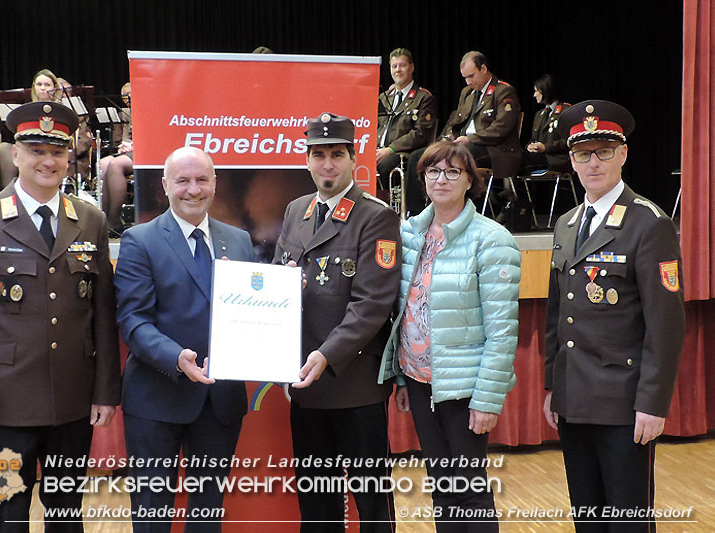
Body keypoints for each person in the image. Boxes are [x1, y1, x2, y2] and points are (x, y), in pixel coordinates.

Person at [0, 100, 121, 533]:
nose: (48, 160)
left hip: (74, 402)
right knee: (6, 519)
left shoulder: (90, 220)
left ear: (69, 157)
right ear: (15, 154)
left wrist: (105, 391)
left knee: (66, 517)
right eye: (36, 150)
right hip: (5, 406)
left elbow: (102, 314)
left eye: (57, 152)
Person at [543, 100, 685, 532]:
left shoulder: (648, 223)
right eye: (583, 154)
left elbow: (666, 323)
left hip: (624, 404)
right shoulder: (567, 224)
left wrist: (653, 403)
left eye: (604, 150)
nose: (593, 162)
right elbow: (557, 316)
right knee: (587, 518)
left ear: (623, 154)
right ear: (571, 160)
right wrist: (552, 385)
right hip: (573, 398)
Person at [380, 140, 520, 532]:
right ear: (422, 178)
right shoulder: (409, 233)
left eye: (453, 172)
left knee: (471, 491)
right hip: (421, 382)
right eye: (433, 171)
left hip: (464, 389)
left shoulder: (491, 239)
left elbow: (502, 330)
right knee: (442, 488)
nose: (442, 179)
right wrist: (403, 376)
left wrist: (487, 400)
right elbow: (405, 310)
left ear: (470, 181)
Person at [114, 146, 254, 533]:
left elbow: (254, 314)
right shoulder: (139, 240)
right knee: (151, 514)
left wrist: (286, 293)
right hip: (156, 399)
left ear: (215, 183)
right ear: (164, 186)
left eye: (202, 180)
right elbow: (133, 320)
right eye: (183, 181)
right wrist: (176, 357)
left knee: (208, 512)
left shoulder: (239, 241)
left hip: (220, 401)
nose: (193, 189)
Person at [273, 112, 401, 532]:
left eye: (336, 154)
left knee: (372, 506)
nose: (327, 164)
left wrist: (326, 356)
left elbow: (372, 304)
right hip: (305, 388)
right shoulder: (295, 211)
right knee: (317, 505)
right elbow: (278, 288)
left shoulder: (375, 216)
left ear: (352, 159)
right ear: (307, 160)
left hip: (354, 387)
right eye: (318, 154)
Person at [407, 51, 521, 203]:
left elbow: (502, 128)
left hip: (494, 149)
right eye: (465, 77)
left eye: (471, 76)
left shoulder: (503, 91)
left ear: (484, 69)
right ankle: (417, 211)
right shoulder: (467, 93)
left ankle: (455, 207)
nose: (468, 82)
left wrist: (470, 139)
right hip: (463, 144)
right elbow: (454, 122)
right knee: (419, 156)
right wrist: (445, 139)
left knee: (457, 157)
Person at [377, 48, 437, 215]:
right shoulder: (383, 98)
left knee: (387, 164)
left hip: (403, 154)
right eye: (394, 66)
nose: (398, 70)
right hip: (377, 151)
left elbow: (420, 134)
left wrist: (390, 150)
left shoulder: (423, 98)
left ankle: (396, 212)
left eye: (402, 65)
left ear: (411, 67)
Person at [521, 74, 571, 173]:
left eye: (536, 91)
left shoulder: (566, 111)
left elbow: (569, 141)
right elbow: (533, 139)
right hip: (539, 157)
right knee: (511, 157)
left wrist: (545, 147)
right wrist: (530, 147)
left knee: (514, 160)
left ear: (546, 90)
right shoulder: (539, 115)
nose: (534, 95)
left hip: (557, 159)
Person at [101, 82, 133, 234]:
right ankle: (104, 219)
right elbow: (125, 138)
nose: (129, 99)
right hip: (130, 150)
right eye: (125, 96)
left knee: (116, 165)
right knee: (103, 163)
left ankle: (114, 219)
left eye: (131, 95)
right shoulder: (126, 113)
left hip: (146, 150)